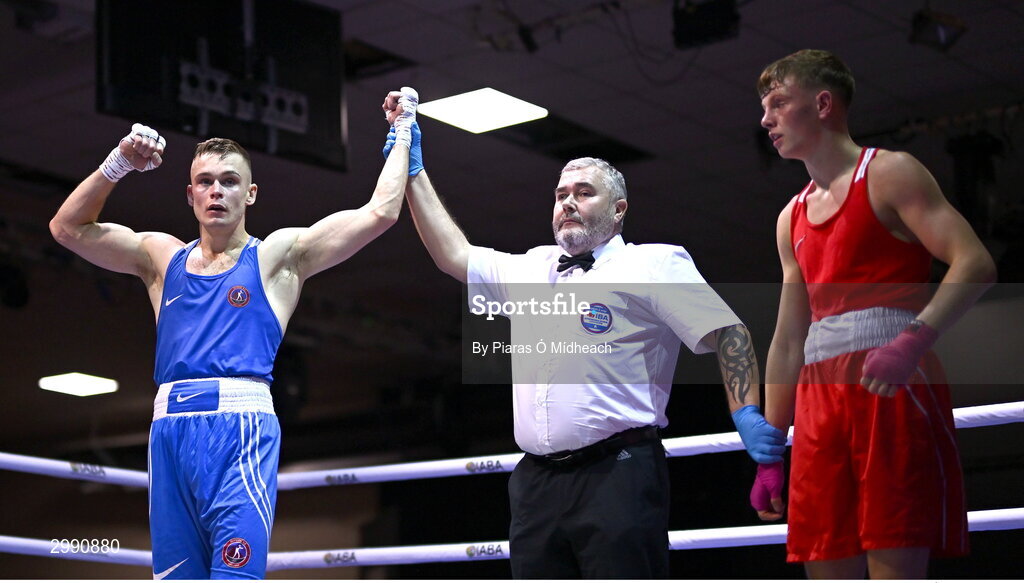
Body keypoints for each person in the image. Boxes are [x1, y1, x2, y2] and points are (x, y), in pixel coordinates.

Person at [381, 88, 785, 578]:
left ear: (618, 211)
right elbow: (454, 255)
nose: (568, 202)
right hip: (534, 483)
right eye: (560, 194)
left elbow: (731, 332)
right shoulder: (532, 267)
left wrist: (745, 411)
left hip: (617, 472)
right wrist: (414, 169)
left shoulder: (652, 263)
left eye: (583, 192)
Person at [48, 90, 418, 579]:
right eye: (204, 182)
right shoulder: (161, 258)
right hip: (168, 431)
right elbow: (67, 228)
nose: (216, 191)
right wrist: (118, 164)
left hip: (240, 429)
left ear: (251, 193)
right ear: (190, 194)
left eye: (229, 181)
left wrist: (404, 133)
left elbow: (379, 214)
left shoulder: (276, 257)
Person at [752, 49, 996, 579]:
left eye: (777, 103)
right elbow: (788, 340)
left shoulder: (891, 173)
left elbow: (974, 262)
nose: (765, 119)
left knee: (895, 561)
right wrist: (770, 451)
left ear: (821, 104)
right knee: (825, 562)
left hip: (891, 390)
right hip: (819, 400)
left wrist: (912, 340)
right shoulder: (789, 217)